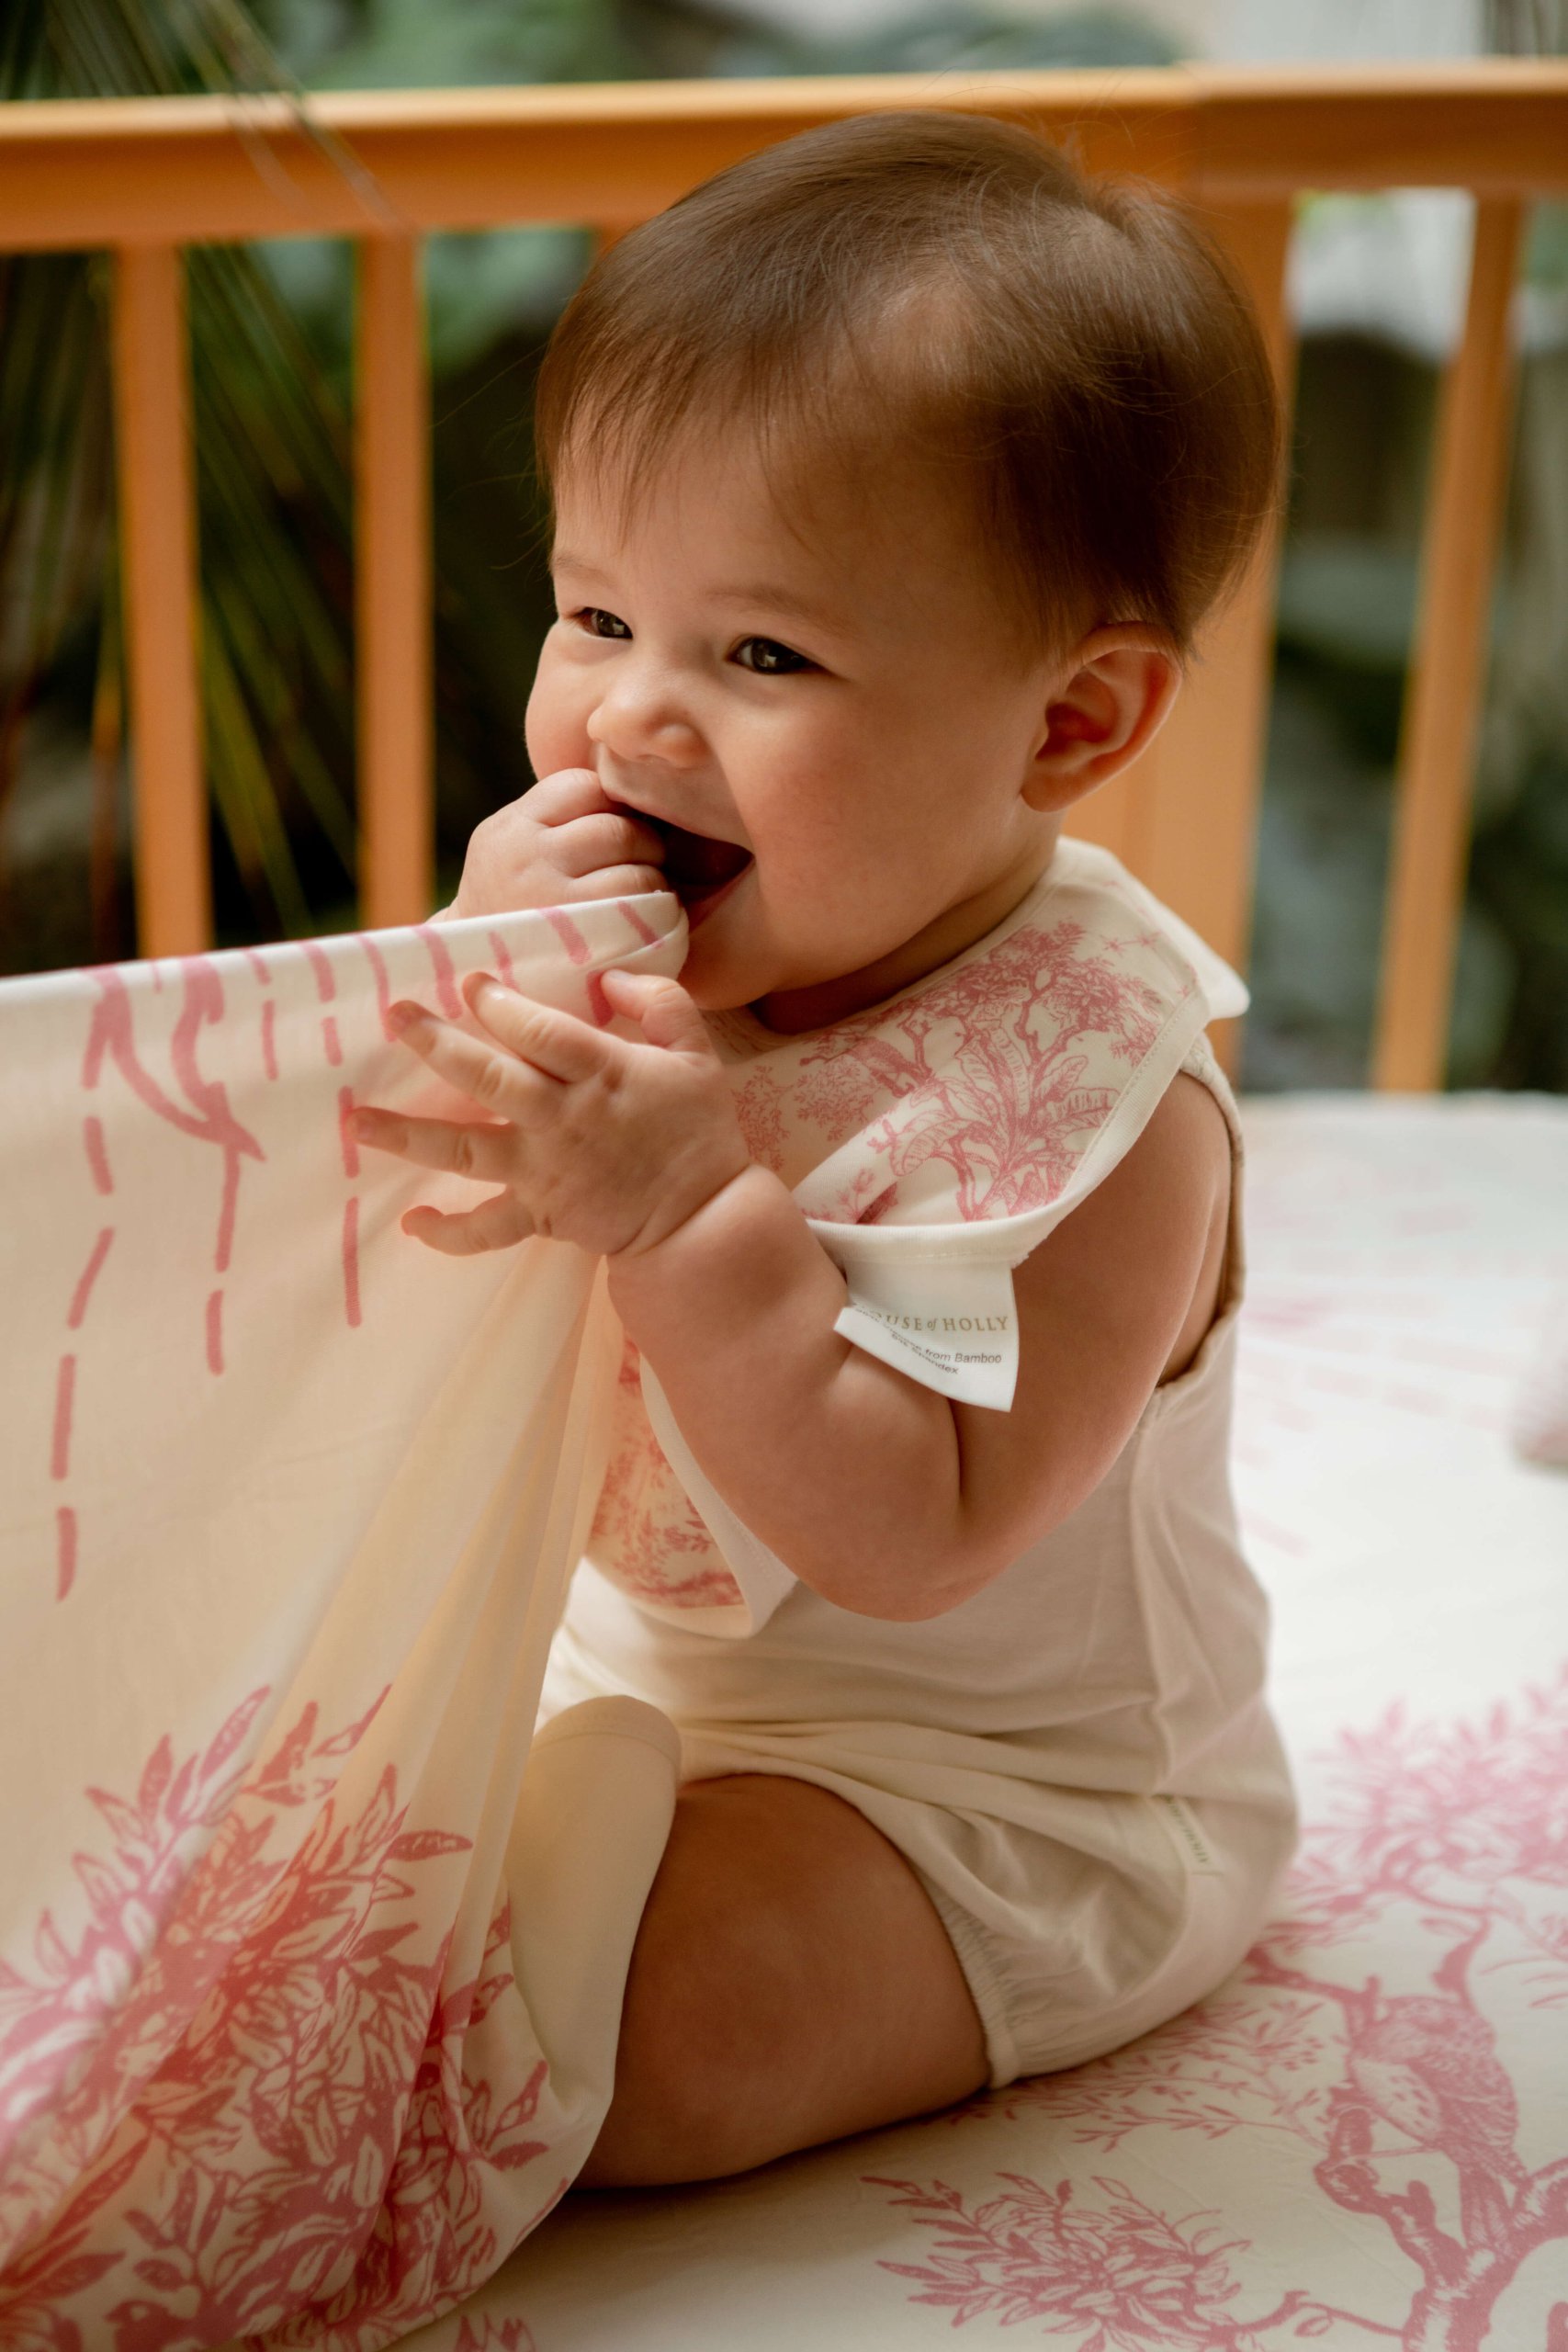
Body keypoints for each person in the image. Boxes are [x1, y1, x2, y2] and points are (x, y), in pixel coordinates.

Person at [350, 110, 1298, 2192]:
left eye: (761, 653)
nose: (629, 720)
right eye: (597, 614)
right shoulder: (646, 938)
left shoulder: (1106, 1108)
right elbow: (396, 1211)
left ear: (1067, 724)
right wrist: (468, 968)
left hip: (980, 1790)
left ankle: (536, 1957)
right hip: (610, 1679)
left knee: (676, 2038)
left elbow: (915, 1530)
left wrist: (694, 1208)